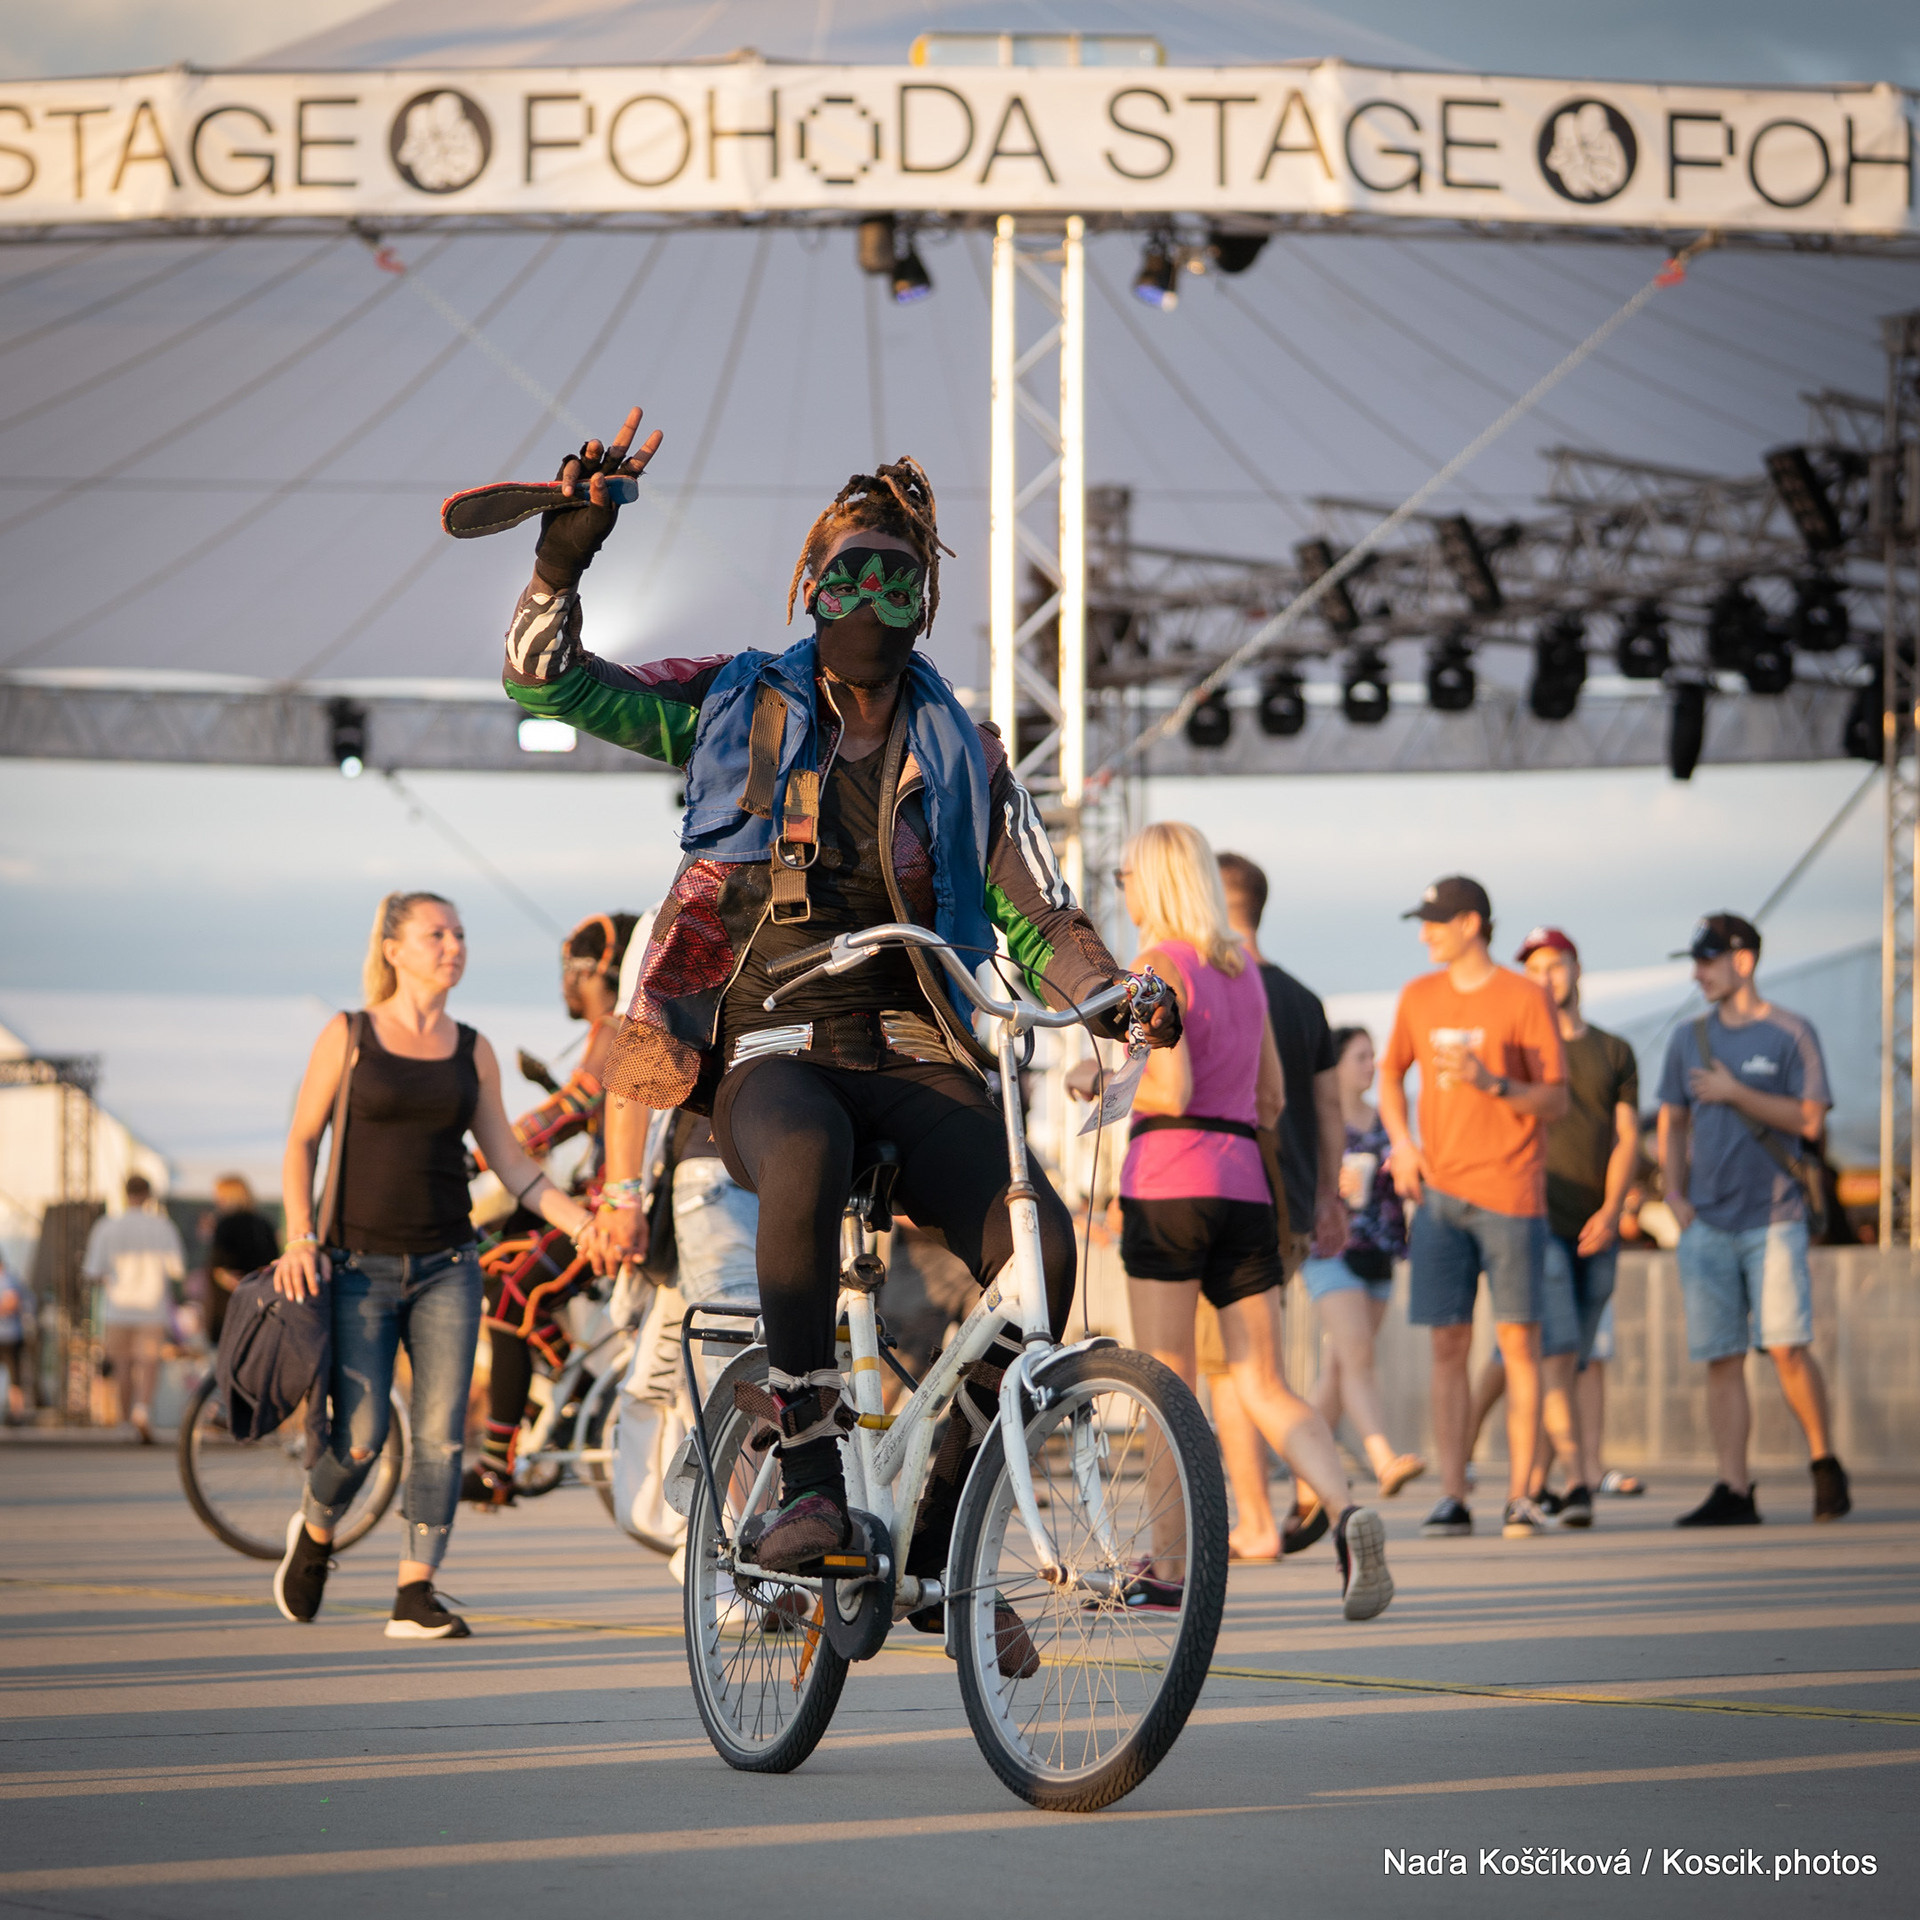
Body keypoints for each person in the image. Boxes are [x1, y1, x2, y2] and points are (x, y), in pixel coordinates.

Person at [499, 412, 1178, 1619]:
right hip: (770, 1043)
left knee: (1044, 1252)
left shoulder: (966, 752)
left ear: (925, 604)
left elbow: (1041, 917)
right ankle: (809, 1478)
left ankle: (939, 1529)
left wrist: (1114, 996)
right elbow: (547, 682)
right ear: (809, 588)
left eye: (896, 583)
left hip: (919, 1047)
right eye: (849, 577)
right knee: (806, 1149)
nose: (871, 600)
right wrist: (562, 560)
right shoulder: (732, 702)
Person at [271, 891, 613, 1639]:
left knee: (441, 1437)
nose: (453, 946)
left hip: (447, 1267)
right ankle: (317, 1531)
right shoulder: (350, 1034)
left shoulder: (472, 1049)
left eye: (459, 934)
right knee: (360, 1438)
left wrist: (584, 1222)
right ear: (394, 949)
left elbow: (514, 1165)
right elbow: (301, 1142)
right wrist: (299, 1238)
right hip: (355, 1265)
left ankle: (414, 1592)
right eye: (436, 934)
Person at [1075, 822, 1391, 1621]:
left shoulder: (1157, 965)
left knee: (1166, 1380)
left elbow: (1171, 1087)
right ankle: (1347, 1512)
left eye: (1128, 878)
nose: (1124, 892)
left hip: (1170, 1181)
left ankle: (1168, 1567)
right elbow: (1272, 1098)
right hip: (1245, 1184)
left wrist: (1097, 1076)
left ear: (1154, 882)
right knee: (1264, 1381)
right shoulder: (1244, 969)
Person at [1380, 876, 1567, 1540]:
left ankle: (1522, 1495)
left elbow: (1556, 1099)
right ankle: (1453, 1496)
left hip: (1512, 1193)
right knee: (1447, 1345)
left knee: (1519, 1345)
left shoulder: (1524, 997)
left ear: (1470, 924)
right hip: (1439, 1198)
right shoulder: (1417, 995)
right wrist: (1403, 1144)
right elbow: (1389, 1072)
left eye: (1435, 921)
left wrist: (1494, 1083)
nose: (1425, 933)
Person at [1655, 913, 1850, 1526]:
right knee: (1722, 1357)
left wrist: (1736, 1092)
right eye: (1695, 961)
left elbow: (1811, 1120)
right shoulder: (1688, 1037)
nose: (1698, 973)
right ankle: (1734, 1489)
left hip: (1775, 1218)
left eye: (1708, 960)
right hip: (1706, 1223)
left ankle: (1823, 1462)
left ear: (1744, 961)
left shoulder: (1792, 1032)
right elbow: (1671, 1120)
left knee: (1786, 1348)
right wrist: (1674, 1195)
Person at [1464, 928, 1641, 1526]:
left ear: (1576, 968)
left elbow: (1628, 1136)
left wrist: (1613, 1210)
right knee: (1556, 1353)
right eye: (1534, 968)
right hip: (1532, 1222)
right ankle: (1573, 1481)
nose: (1545, 977)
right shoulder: (1516, 1053)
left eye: (1555, 965)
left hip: (1597, 1225)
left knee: (1570, 1357)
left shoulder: (1614, 1051)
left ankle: (1538, 1482)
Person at [465, 910, 640, 1505]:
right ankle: (573, 1387)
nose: (564, 983)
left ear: (593, 972)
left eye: (569, 970)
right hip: (599, 1200)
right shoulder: (614, 1031)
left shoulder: (616, 1027)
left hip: (611, 1210)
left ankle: (497, 1464)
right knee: (485, 1256)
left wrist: (481, 1153)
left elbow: (576, 1105)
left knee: (512, 1291)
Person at [1206, 851, 1351, 1555]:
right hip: (1289, 1201)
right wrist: (1328, 1195)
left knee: (1234, 1371)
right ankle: (1309, 1484)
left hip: (1225, 1193)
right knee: (1259, 1363)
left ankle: (1265, 1516)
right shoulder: (1303, 998)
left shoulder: (1213, 983)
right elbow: (1329, 1108)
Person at [1300, 1026, 1426, 1499]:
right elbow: (1299, 1176)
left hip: (1380, 1252)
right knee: (1357, 1355)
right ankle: (1383, 1459)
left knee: (1340, 1369)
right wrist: (1329, 1184)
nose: (1371, 1066)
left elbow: (1406, 1180)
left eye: (1373, 1056)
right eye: (1360, 1057)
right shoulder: (1319, 1119)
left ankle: (1307, 1479)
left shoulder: (1389, 1119)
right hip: (1331, 1251)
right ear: (1335, 1065)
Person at [80, 1174, 185, 1443]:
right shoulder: (162, 1226)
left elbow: (93, 1271)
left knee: (122, 1364)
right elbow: (177, 1269)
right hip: (152, 1305)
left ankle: (125, 1420)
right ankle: (143, 1410)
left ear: (124, 1193)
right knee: (149, 1362)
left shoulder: (107, 1226)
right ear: (149, 1195)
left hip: (118, 1307)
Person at [204, 1175, 280, 1349]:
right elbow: (272, 1262)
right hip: (259, 1300)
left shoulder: (226, 1224)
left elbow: (218, 1268)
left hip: (229, 1303)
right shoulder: (264, 1224)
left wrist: (237, 1284)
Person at [0, 1249, 31, 1422]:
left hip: (9, 1336)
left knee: (15, 1376)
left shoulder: (8, 1279)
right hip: (8, 1334)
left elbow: (11, 1303)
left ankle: (16, 1414)